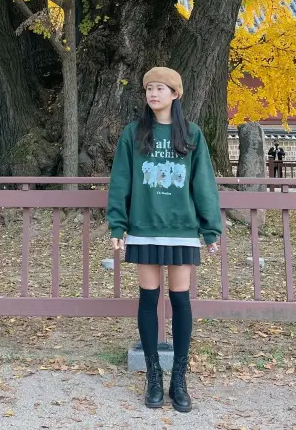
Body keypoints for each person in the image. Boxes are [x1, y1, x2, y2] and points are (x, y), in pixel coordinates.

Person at [108, 67, 221, 413]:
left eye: (160, 88)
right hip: (144, 227)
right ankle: (154, 374)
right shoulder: (134, 133)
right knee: (148, 298)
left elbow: (203, 183)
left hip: (182, 229)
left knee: (181, 300)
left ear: (175, 94)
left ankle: (179, 378)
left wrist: (210, 228)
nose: (153, 94)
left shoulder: (192, 134)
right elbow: (121, 180)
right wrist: (118, 225)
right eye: (149, 89)